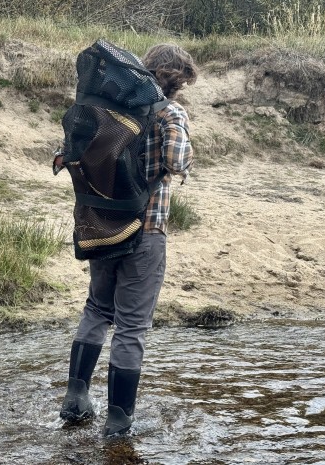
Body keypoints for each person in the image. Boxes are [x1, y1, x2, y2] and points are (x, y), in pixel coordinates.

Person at [58, 43, 198, 437]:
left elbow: (68, 153)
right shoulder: (171, 112)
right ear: (180, 80)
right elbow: (177, 161)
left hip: (103, 227)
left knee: (96, 310)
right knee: (131, 327)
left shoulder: (110, 111)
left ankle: (76, 399)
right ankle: (118, 423)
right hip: (146, 231)